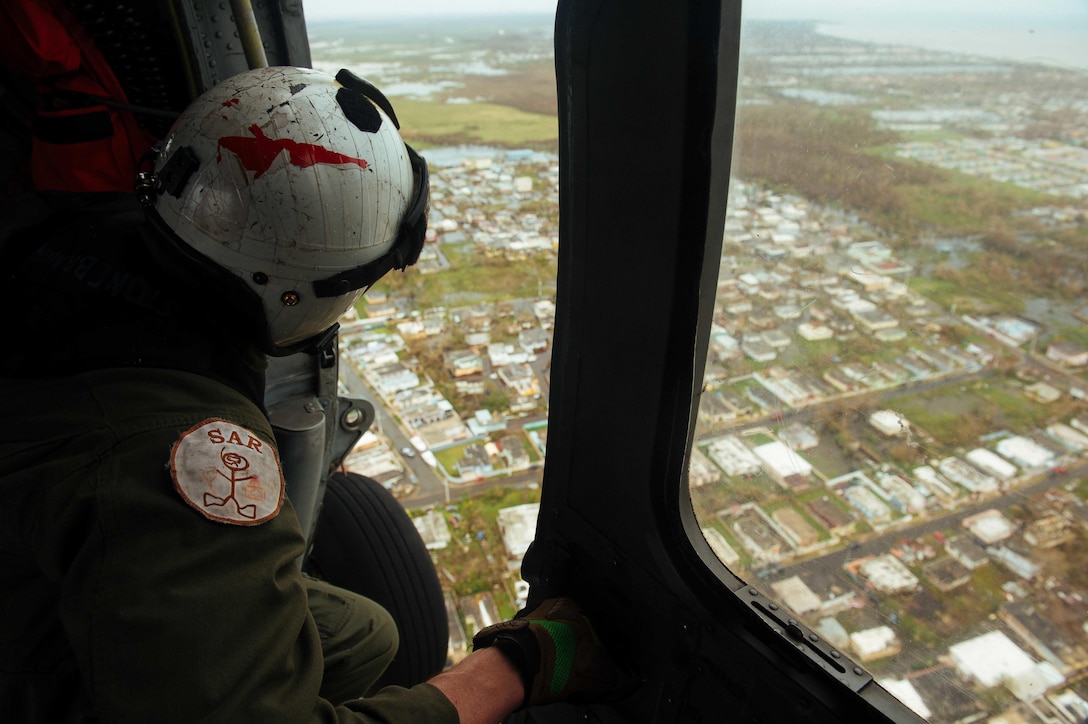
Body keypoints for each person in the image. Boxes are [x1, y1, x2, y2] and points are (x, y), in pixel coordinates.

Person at [0, 65, 618, 722]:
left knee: (365, 633)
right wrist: (515, 666)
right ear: (291, 293)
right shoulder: (187, 461)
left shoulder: (61, 236)